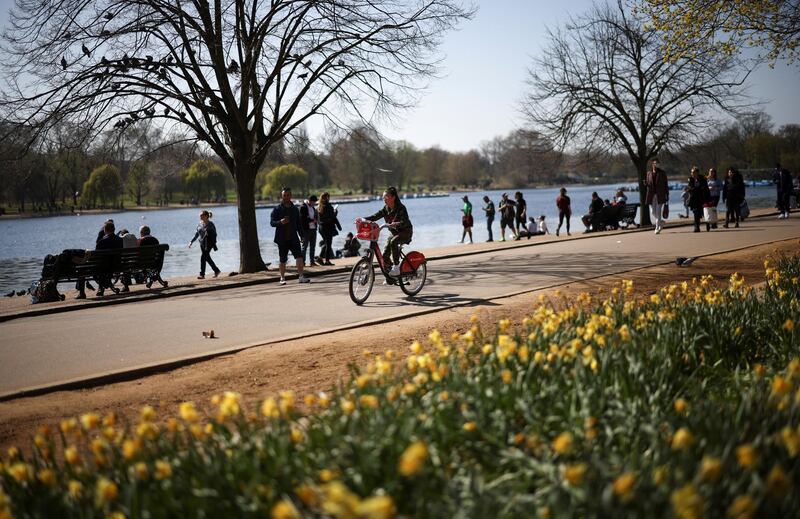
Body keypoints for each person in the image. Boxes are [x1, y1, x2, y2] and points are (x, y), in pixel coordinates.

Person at [364, 186, 413, 278]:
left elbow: (405, 221)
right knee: (384, 256)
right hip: (394, 233)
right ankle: (391, 275)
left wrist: (396, 224)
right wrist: (363, 219)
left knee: (393, 241)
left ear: (393, 197)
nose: (384, 199)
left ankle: (396, 268)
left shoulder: (401, 208)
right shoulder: (385, 209)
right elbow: (375, 216)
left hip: (405, 232)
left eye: (386, 197)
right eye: (383, 197)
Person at [270, 187, 310, 285]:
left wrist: (302, 236)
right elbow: (272, 223)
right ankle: (282, 278)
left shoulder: (295, 209)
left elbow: (299, 224)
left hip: (293, 238)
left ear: (291, 196)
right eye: (284, 195)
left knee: (299, 257)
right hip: (282, 239)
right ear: (282, 196)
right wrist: (280, 222)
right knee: (283, 259)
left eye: (288, 195)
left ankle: (301, 277)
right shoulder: (277, 209)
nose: (286, 197)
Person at [188, 210, 221, 279]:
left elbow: (215, 234)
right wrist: (191, 242)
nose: (200, 216)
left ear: (206, 216)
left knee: (203, 257)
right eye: (200, 215)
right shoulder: (199, 224)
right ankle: (216, 270)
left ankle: (202, 274)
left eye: (201, 215)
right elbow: (196, 234)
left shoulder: (210, 224)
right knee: (207, 258)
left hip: (209, 243)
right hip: (202, 243)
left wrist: (213, 242)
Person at [94, 220, 123, 296]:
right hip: (117, 265)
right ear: (114, 229)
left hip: (104, 267)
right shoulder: (120, 240)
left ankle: (101, 287)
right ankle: (107, 284)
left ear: (105, 230)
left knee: (99, 267)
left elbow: (96, 256)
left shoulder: (102, 241)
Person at [645, 159, 669, 234]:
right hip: (651, 195)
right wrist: (646, 184)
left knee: (658, 212)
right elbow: (649, 184)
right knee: (652, 211)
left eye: (658, 163)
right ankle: (661, 222)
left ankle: (657, 227)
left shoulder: (662, 173)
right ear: (652, 164)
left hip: (660, 194)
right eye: (655, 163)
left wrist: (667, 194)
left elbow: (665, 184)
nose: (657, 164)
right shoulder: (649, 173)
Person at [317, 192, 342, 266]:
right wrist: (335, 212)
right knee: (328, 244)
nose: (328, 198)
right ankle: (325, 260)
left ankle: (321, 258)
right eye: (328, 197)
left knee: (326, 243)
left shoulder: (319, 206)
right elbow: (332, 217)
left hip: (321, 228)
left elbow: (319, 218)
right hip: (328, 227)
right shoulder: (328, 206)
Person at [686, 166, 710, 232]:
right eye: (691, 172)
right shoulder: (690, 179)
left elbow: (704, 188)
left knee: (703, 213)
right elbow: (689, 188)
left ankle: (707, 223)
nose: (692, 173)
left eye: (693, 172)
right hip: (694, 199)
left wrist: (708, 199)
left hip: (702, 198)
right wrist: (690, 190)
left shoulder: (702, 179)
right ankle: (696, 227)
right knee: (695, 213)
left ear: (697, 173)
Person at [300, 195, 319, 266]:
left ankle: (312, 262)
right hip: (306, 230)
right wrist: (312, 220)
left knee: (312, 246)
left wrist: (315, 220)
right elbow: (303, 219)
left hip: (313, 229)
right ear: (310, 201)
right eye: (314, 202)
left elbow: (314, 217)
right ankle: (302, 262)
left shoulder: (313, 208)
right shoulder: (303, 207)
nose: (314, 204)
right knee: (304, 246)